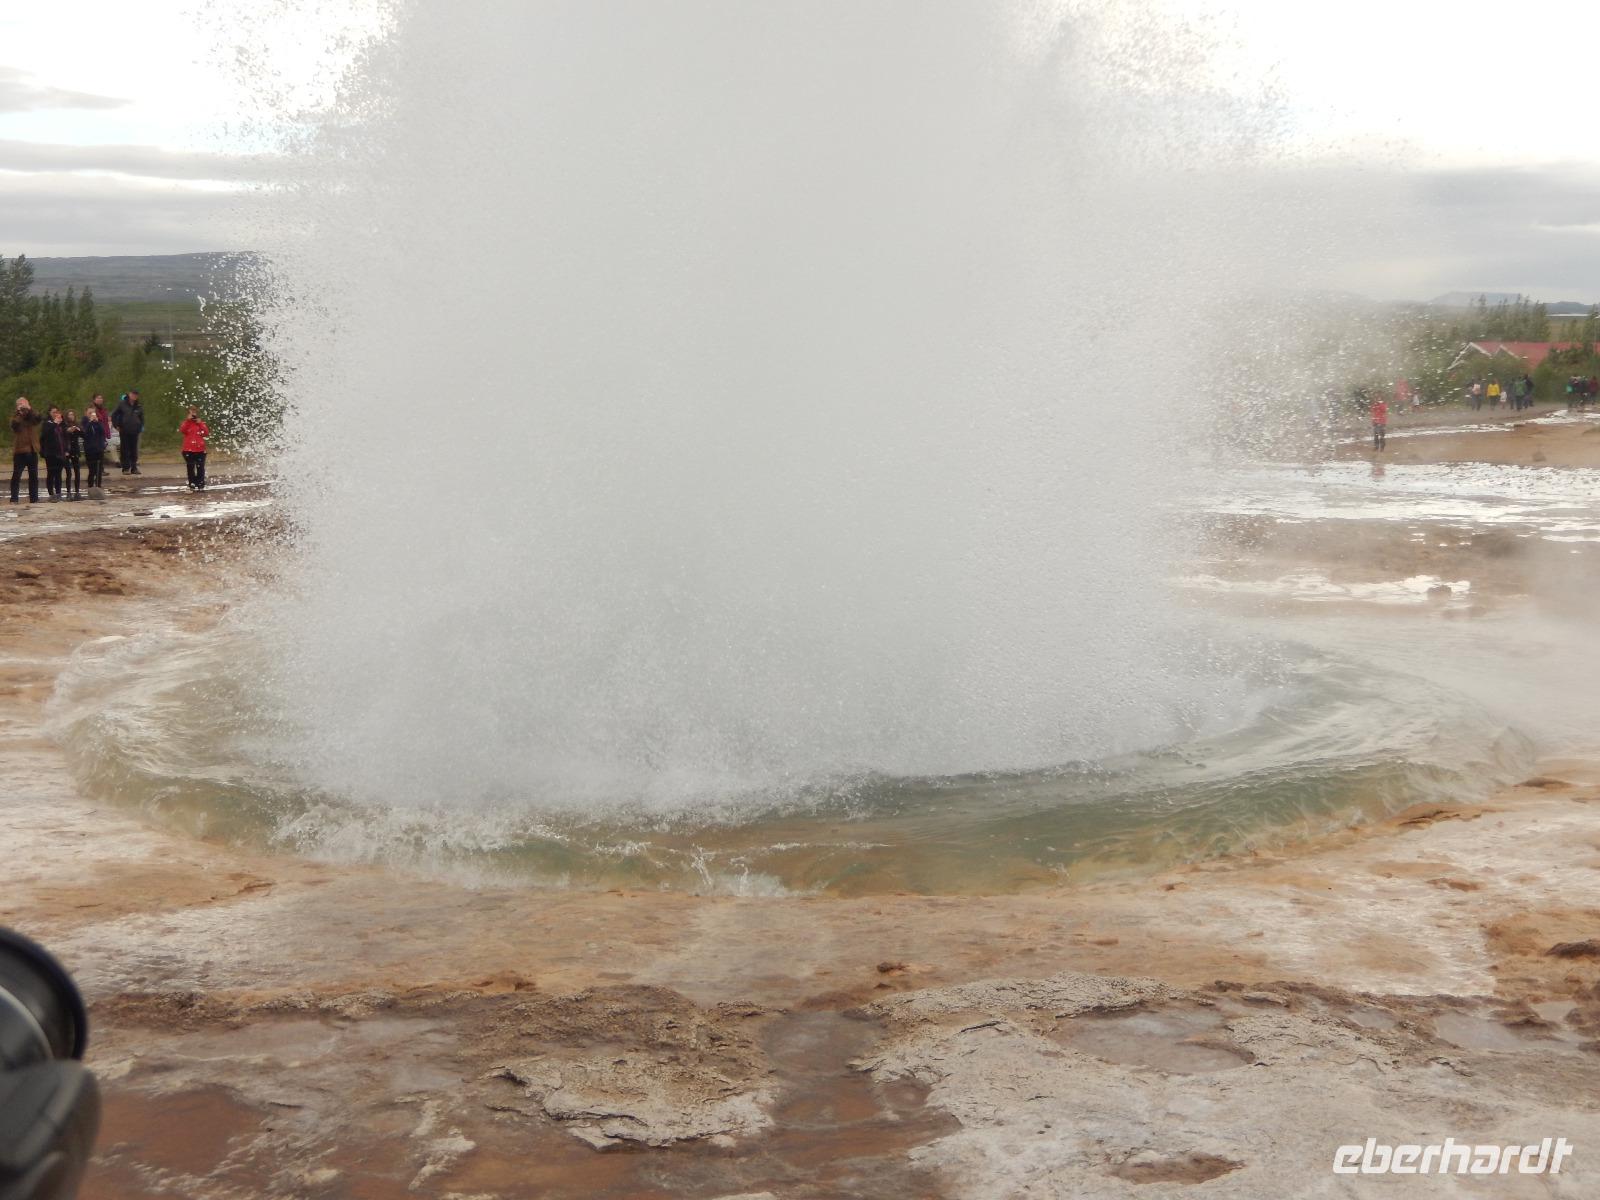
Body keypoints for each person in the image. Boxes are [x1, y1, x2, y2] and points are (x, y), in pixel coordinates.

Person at [9, 396, 41, 504]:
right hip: (20, 451)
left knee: (34, 476)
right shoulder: (15, 417)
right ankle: (14, 499)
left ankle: (34, 498)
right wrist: (19, 413)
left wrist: (29, 409)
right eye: (21, 404)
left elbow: (38, 419)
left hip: (32, 450)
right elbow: (15, 426)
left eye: (25, 404)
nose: (23, 407)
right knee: (16, 476)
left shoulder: (31, 416)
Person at [39, 407, 69, 502]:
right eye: (53, 412)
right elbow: (45, 435)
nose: (55, 414)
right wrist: (55, 424)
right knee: (51, 473)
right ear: (49, 413)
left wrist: (62, 423)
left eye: (57, 412)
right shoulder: (47, 424)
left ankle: (59, 493)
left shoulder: (61, 423)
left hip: (60, 452)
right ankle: (51, 494)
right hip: (50, 453)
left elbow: (65, 436)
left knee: (58, 474)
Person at [112, 390, 145, 474]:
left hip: (135, 430)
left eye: (136, 395)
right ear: (129, 394)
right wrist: (116, 425)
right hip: (124, 430)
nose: (134, 396)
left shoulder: (138, 406)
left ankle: (134, 467)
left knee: (134, 450)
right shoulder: (122, 404)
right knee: (125, 449)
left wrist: (140, 426)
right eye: (133, 394)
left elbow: (141, 418)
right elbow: (114, 414)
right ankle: (126, 468)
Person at [80, 400, 108, 495]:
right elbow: (85, 433)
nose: (92, 415)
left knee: (99, 469)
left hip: (99, 448)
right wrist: (90, 422)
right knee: (92, 469)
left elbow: (102, 431)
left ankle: (99, 486)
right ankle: (91, 486)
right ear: (86, 413)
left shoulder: (98, 421)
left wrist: (97, 422)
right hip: (90, 449)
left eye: (93, 413)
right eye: (89, 413)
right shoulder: (84, 422)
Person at [179, 406, 209, 491]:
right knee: (190, 467)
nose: (193, 414)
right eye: (191, 412)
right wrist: (188, 420)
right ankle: (192, 483)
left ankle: (200, 484)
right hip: (188, 449)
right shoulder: (186, 423)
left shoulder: (200, 423)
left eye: (194, 412)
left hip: (200, 449)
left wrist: (200, 423)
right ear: (189, 413)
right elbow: (182, 430)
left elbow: (206, 433)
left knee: (200, 467)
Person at [63, 409, 84, 501]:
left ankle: (77, 492)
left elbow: (84, 435)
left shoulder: (77, 425)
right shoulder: (64, 425)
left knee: (77, 471)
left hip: (75, 450)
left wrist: (79, 430)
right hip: (67, 450)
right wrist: (68, 431)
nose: (71, 416)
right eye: (69, 414)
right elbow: (62, 435)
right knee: (68, 472)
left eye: (72, 414)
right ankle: (68, 492)